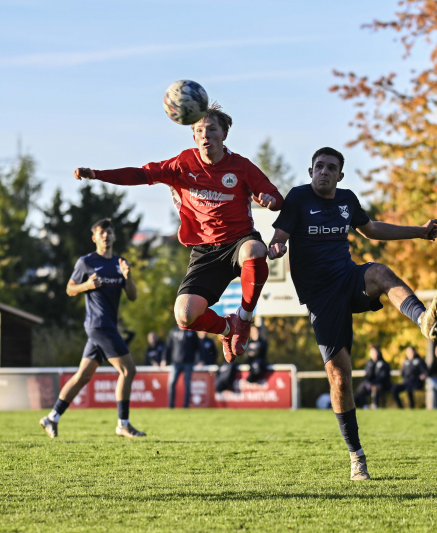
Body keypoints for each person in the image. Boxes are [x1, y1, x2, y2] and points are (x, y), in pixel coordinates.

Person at [267, 147, 437, 480]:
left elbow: (373, 229)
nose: (324, 171)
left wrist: (420, 232)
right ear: (310, 172)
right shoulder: (297, 199)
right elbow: (279, 236)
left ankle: (423, 319)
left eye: (331, 167)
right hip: (321, 300)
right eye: (319, 166)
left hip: (348, 279)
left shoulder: (347, 200)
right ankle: (356, 456)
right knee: (340, 380)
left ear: (340, 175)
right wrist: (276, 246)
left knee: (380, 272)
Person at [73, 104, 284, 363]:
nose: (206, 135)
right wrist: (97, 174)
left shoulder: (241, 166)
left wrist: (269, 199)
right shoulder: (182, 164)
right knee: (185, 315)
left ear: (224, 134)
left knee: (255, 251)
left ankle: (243, 319)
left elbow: (275, 195)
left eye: (212, 129)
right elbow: (141, 174)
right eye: (199, 130)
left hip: (239, 240)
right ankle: (227, 328)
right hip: (205, 251)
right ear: (193, 136)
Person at [39, 218, 144, 438]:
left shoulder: (120, 263)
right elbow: (69, 289)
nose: (106, 235)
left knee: (83, 376)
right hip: (99, 325)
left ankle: (51, 418)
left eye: (109, 232)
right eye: (101, 232)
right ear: (94, 238)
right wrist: (86, 285)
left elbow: (132, 297)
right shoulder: (85, 262)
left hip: (106, 326)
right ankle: (123, 424)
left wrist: (128, 276)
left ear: (114, 237)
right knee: (128, 370)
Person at [164, 326, 199, 408]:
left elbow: (198, 347)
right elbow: (168, 346)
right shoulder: (173, 331)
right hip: (176, 362)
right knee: (171, 383)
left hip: (189, 362)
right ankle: (171, 405)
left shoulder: (192, 331)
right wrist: (164, 359)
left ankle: (186, 405)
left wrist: (199, 360)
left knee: (187, 384)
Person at [354, 346, 391, 410]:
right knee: (360, 389)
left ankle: (375, 405)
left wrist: (373, 383)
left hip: (382, 384)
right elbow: (367, 375)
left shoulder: (384, 363)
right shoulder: (369, 363)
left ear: (378, 353)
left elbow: (383, 377)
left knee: (375, 388)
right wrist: (365, 381)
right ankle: (365, 406)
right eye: (372, 353)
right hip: (370, 384)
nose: (373, 354)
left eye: (374, 353)